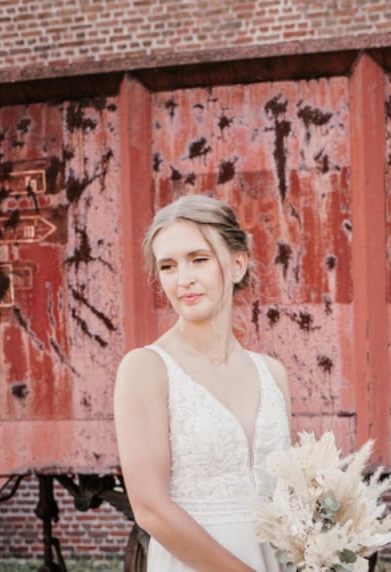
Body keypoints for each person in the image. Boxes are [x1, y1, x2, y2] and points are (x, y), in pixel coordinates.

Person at [114, 194, 292, 571]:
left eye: (199, 259)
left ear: (237, 264)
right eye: (168, 266)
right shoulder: (146, 369)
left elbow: (289, 495)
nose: (184, 280)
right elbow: (150, 509)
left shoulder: (273, 374)